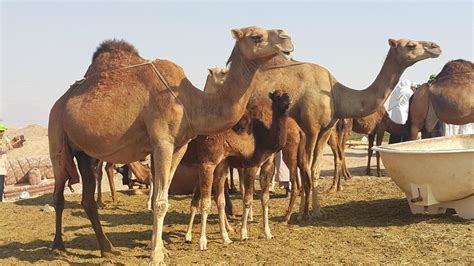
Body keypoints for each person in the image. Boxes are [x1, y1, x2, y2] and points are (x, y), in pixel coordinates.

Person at [0, 123, 25, 202]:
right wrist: (12, 143)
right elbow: (2, 149)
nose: (2, 133)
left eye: (3, 131)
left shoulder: (4, 139)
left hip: (2, 167)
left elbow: (11, 146)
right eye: (1, 131)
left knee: (1, 187)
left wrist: (19, 143)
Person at [384, 79, 414, 144]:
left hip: (395, 114)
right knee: (403, 131)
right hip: (404, 114)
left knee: (394, 132)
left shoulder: (396, 91)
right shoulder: (409, 91)